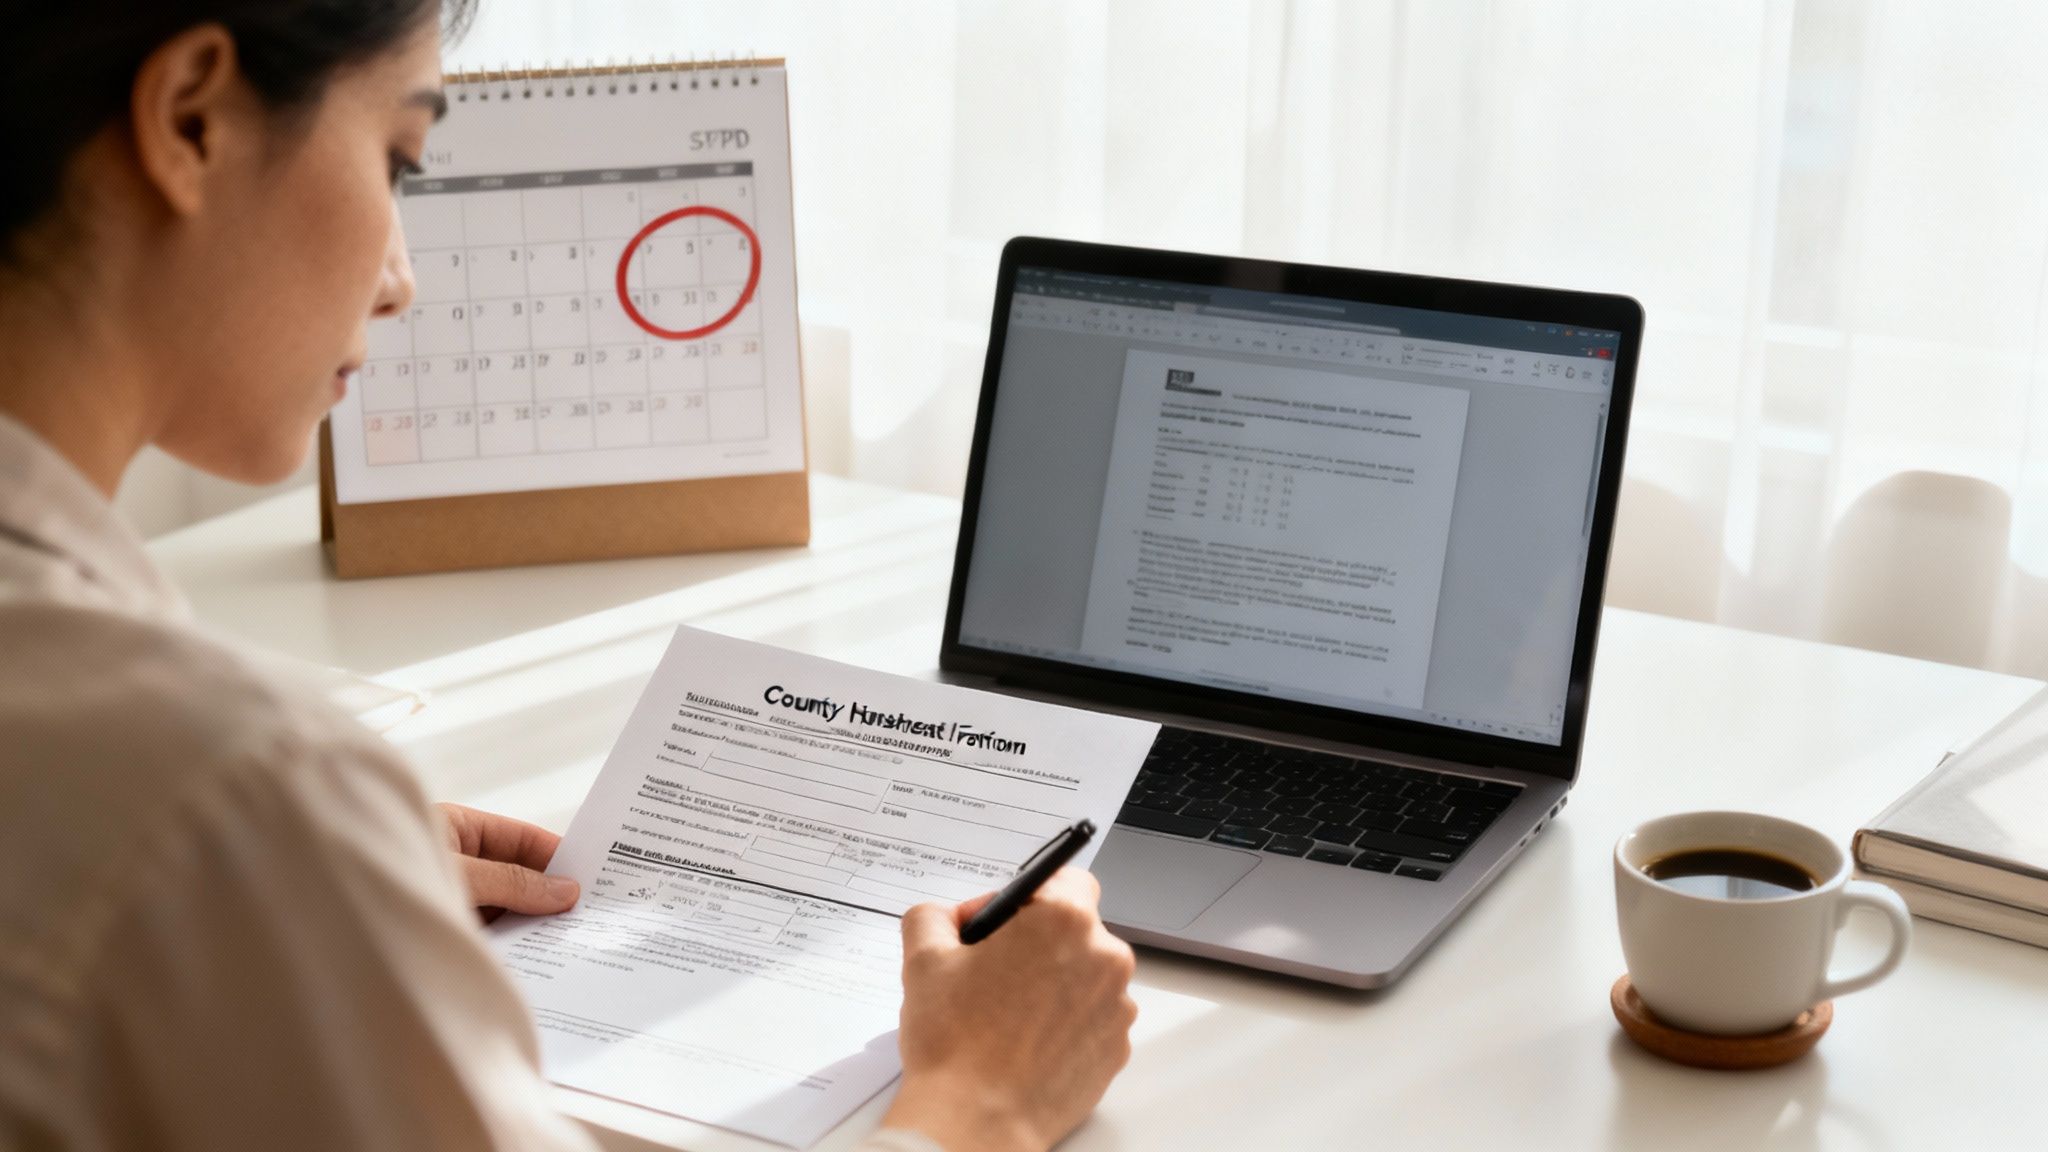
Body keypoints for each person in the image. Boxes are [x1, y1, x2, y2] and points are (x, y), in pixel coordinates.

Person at [0, 2, 1140, 1149]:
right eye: (397, 158)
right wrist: (981, 1102)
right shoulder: (222, 789)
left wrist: (289, 894)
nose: (399, 281)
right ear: (191, 118)